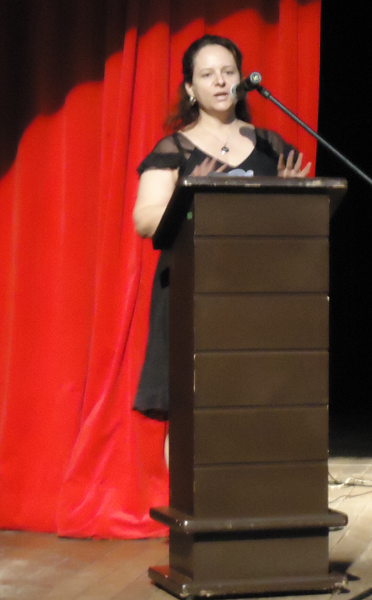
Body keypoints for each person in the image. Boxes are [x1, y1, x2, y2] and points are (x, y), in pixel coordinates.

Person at [133, 34, 311, 419]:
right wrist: (193, 198)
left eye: (228, 72)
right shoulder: (174, 149)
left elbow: (295, 230)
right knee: (191, 419)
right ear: (190, 88)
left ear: (242, 80)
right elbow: (145, 219)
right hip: (192, 289)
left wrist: (292, 199)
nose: (219, 81)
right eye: (207, 74)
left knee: (250, 416)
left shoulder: (270, 146)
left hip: (257, 295)